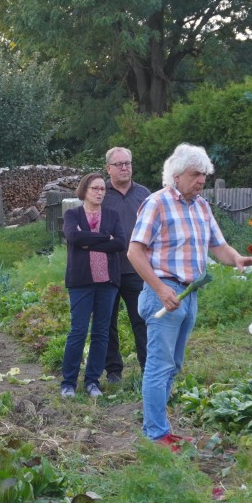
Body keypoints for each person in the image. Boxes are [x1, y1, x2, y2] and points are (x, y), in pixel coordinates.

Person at [128, 144, 252, 446]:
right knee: (159, 365)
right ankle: (156, 433)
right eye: (195, 174)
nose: (201, 180)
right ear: (176, 175)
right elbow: (135, 252)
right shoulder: (156, 203)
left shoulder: (201, 206)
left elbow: (219, 247)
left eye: (204, 175)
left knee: (173, 364)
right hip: (164, 292)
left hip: (190, 294)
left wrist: (237, 258)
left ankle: (158, 425)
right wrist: (160, 289)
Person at [60, 173, 126, 399]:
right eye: (95, 189)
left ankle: (92, 381)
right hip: (81, 282)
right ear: (84, 191)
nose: (99, 192)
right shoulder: (72, 214)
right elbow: (73, 237)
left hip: (107, 282)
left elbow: (120, 243)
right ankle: (68, 382)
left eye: (102, 189)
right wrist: (103, 239)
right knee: (78, 331)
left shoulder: (112, 215)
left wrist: (89, 241)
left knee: (101, 332)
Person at [101, 146, 150, 384]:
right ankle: (113, 371)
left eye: (127, 163)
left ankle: (148, 368)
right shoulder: (100, 194)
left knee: (142, 320)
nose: (124, 168)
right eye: (119, 164)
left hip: (136, 269)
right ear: (108, 168)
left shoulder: (144, 194)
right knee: (107, 322)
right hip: (106, 269)